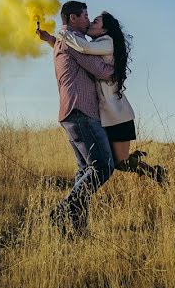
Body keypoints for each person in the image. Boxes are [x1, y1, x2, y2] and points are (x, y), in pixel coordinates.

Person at [39, 10, 166, 185]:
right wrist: (50, 40)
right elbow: (73, 52)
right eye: (90, 19)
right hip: (106, 116)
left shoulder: (107, 42)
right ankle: (153, 170)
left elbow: (83, 49)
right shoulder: (98, 44)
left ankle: (156, 172)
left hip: (118, 115)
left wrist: (62, 33)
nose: (90, 22)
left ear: (105, 29)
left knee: (118, 163)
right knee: (114, 163)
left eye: (96, 21)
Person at [43, 0, 117, 238]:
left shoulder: (62, 41)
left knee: (85, 169)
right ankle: (63, 211)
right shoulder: (75, 42)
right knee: (103, 166)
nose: (88, 20)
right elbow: (101, 70)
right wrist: (118, 67)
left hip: (71, 113)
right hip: (81, 111)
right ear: (73, 19)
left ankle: (75, 229)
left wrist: (48, 39)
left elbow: (63, 49)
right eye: (85, 16)